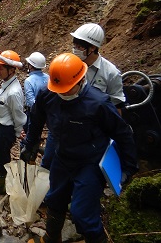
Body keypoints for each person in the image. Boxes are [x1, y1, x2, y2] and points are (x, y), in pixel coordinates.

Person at [20, 53, 138, 243]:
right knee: (54, 199)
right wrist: (30, 144)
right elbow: (37, 119)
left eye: (66, 89)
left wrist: (128, 168)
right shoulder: (48, 94)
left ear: (81, 79)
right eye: (59, 89)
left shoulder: (98, 103)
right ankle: (52, 237)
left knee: (82, 212)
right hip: (62, 156)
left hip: (89, 162)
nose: (63, 93)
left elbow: (122, 133)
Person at [42, 23, 126, 170]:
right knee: (48, 163)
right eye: (74, 44)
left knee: (83, 170)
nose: (75, 49)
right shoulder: (67, 65)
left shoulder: (110, 73)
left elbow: (116, 106)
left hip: (89, 132)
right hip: (62, 125)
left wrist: (114, 138)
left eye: (80, 46)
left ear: (92, 47)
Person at [0, 50, 27, 195]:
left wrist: (17, 133)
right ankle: (0, 178)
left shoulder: (14, 92)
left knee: (1, 157)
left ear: (11, 70)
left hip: (5, 130)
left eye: (1, 68)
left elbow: (18, 116)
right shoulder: (6, 84)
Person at [21, 52, 49, 145]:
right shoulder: (48, 77)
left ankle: (26, 154)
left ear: (31, 66)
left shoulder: (29, 81)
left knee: (28, 137)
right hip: (47, 113)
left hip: (33, 113)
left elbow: (30, 102)